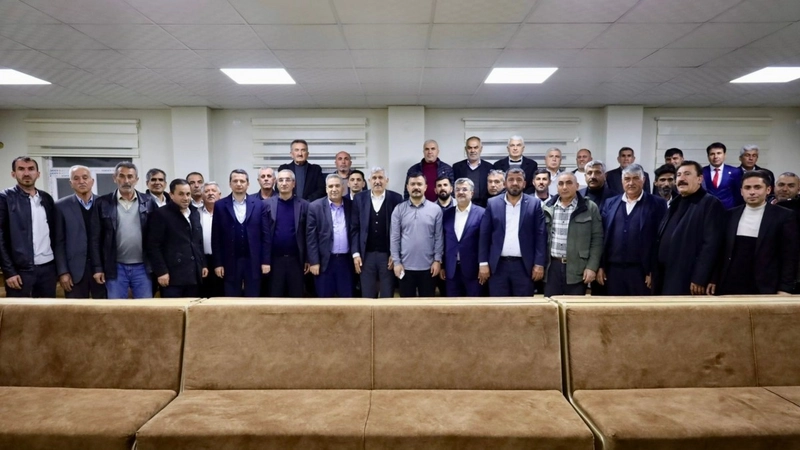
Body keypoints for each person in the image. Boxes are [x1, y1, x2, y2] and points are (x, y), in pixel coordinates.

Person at [709, 171, 798, 296]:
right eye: (747, 188)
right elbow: (721, 251)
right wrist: (713, 279)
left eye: (757, 187)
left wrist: (785, 288)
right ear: (741, 191)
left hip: (765, 286)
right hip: (730, 284)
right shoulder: (730, 215)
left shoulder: (784, 216)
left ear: (768, 190)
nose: (752, 192)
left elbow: (789, 255)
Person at [654, 161, 725, 295]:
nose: (681, 178)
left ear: (700, 179)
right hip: (665, 275)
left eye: (687, 174)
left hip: (688, 278)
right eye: (679, 175)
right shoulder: (675, 203)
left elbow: (711, 245)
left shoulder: (710, 203)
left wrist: (700, 277)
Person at [597, 164, 667, 296]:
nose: (631, 183)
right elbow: (602, 236)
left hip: (641, 271)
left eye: (635, 178)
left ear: (643, 180)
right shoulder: (610, 203)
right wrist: (601, 266)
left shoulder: (657, 204)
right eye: (627, 179)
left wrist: (653, 270)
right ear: (622, 181)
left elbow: (660, 239)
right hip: (613, 270)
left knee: (639, 307)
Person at [91, 162, 158, 299]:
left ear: (136, 179)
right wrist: (98, 268)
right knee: (116, 308)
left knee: (146, 308)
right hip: (115, 267)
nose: (126, 181)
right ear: (114, 178)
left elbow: (157, 237)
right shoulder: (102, 203)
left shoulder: (149, 201)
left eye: (130, 176)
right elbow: (95, 238)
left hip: (143, 267)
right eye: (121, 176)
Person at [478, 168, 547, 297]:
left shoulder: (534, 204)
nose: (515, 183)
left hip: (524, 266)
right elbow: (484, 235)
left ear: (524, 184)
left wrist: (539, 263)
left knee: (523, 306)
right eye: (511, 180)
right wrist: (483, 263)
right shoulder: (493, 203)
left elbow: (541, 236)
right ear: (505, 183)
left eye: (519, 180)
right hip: (497, 266)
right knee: (498, 306)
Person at [0, 156, 57, 298]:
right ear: (13, 174)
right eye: (21, 169)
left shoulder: (46, 198)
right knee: (19, 312)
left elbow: (54, 234)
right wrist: (9, 272)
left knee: (48, 311)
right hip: (20, 272)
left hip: (48, 269)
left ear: (38, 173)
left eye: (31, 169)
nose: (26, 173)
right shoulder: (4, 198)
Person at [211, 169, 270, 297]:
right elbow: (216, 237)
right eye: (235, 181)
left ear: (248, 184)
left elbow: (265, 235)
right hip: (230, 261)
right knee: (231, 299)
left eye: (242, 181)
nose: (239, 184)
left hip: (253, 260)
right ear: (230, 184)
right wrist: (218, 263)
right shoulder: (220, 205)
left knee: (253, 298)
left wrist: (266, 261)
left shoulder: (259, 205)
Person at [542, 173, 603, 297]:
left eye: (569, 183)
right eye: (561, 184)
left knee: (574, 306)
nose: (564, 187)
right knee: (551, 305)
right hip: (552, 267)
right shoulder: (547, 207)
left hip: (578, 267)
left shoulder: (589, 207)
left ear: (577, 186)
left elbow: (597, 240)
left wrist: (592, 267)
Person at [147, 178, 207, 298]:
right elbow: (153, 246)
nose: (185, 198)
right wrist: (161, 272)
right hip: (172, 276)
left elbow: (198, 242)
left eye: (188, 194)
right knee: (173, 309)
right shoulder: (161, 214)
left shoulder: (194, 213)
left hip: (193, 274)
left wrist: (203, 264)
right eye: (181, 194)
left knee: (193, 307)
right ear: (171, 195)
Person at [53, 165, 105, 299]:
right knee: (75, 310)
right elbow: (58, 242)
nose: (81, 181)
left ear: (92, 181)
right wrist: (63, 272)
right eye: (76, 178)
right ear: (71, 183)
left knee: (103, 310)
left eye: (85, 177)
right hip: (74, 271)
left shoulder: (104, 203)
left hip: (101, 269)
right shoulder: (60, 206)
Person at [351, 167, 403, 299]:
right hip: (365, 256)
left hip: (387, 256)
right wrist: (356, 254)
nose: (377, 181)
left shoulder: (396, 198)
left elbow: (400, 229)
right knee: (367, 297)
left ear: (387, 180)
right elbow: (354, 228)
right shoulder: (359, 198)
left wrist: (395, 254)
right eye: (374, 178)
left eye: (381, 178)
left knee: (387, 296)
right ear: (369, 181)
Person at [391, 172, 443, 297]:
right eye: (413, 184)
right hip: (405, 268)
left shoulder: (435, 209)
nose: (416, 187)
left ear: (425, 187)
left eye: (419, 184)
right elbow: (394, 238)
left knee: (427, 306)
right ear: (407, 187)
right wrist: (397, 262)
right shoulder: (399, 209)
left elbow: (439, 237)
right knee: (406, 306)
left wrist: (437, 261)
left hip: (429, 268)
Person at [264, 169, 310, 297]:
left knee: (297, 298)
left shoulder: (305, 205)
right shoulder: (265, 205)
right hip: (274, 261)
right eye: (281, 180)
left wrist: (308, 259)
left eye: (288, 180)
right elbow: (262, 235)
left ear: (293, 183)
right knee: (275, 298)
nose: (284, 183)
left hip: (296, 261)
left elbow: (309, 235)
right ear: (276, 183)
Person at [307, 174, 353, 297]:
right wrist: (314, 262)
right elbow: (311, 238)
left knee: (347, 300)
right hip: (324, 263)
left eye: (337, 186)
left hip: (346, 262)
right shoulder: (315, 207)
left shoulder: (351, 206)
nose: (334, 189)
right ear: (326, 189)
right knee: (324, 301)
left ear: (343, 188)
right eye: (331, 186)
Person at [442, 178, 485, 297]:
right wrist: (442, 266)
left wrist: (483, 265)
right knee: (453, 306)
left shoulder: (482, 213)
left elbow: (485, 242)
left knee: (474, 306)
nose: (460, 192)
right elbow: (443, 241)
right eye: (457, 189)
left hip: (474, 270)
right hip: (451, 270)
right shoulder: (446, 214)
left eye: (464, 189)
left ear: (472, 193)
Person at [199, 181, 224, 298]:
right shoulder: (196, 213)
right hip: (203, 260)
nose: (210, 193)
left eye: (213, 191)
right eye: (207, 191)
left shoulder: (226, 213)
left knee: (220, 294)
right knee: (203, 294)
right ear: (202, 195)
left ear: (220, 195)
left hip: (222, 260)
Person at [453, 136, 492, 207]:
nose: (472, 150)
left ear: (481, 149)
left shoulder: (489, 167)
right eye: (469, 148)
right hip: (463, 206)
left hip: (484, 207)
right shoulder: (456, 167)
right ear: (466, 149)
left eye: (476, 147)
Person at [703, 142, 743, 209]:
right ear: (708, 156)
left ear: (724, 155)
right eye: (712, 154)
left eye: (719, 153)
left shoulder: (735, 172)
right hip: (707, 210)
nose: (716, 157)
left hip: (729, 211)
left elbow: (738, 194)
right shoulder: (701, 172)